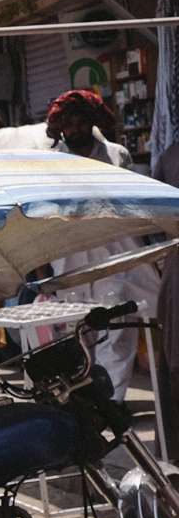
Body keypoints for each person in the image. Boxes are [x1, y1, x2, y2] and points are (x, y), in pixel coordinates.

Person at [42, 90, 158, 402]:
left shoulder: (117, 155)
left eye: (83, 122)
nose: (76, 129)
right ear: (61, 129)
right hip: (72, 261)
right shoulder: (50, 162)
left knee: (118, 334)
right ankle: (86, 402)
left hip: (119, 258)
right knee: (81, 337)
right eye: (71, 124)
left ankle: (112, 404)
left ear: (94, 123)